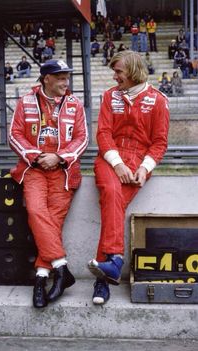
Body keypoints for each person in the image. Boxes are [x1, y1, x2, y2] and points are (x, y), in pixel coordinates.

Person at [87, 51, 169, 305]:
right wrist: (118, 163)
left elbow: (159, 143)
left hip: (139, 161)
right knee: (112, 194)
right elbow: (103, 134)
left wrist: (144, 168)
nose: (115, 76)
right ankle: (115, 258)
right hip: (110, 157)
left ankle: (105, 276)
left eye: (119, 71)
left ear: (133, 71)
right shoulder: (110, 96)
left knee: (112, 203)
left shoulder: (158, 100)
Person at [9, 59, 88, 308]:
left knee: (52, 222)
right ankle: (61, 267)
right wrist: (35, 156)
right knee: (35, 211)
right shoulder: (25, 102)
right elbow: (14, 135)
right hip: (34, 168)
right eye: (61, 78)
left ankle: (42, 277)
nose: (66, 82)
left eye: (67, 77)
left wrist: (59, 157)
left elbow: (82, 138)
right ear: (46, 79)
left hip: (64, 173)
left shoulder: (76, 104)